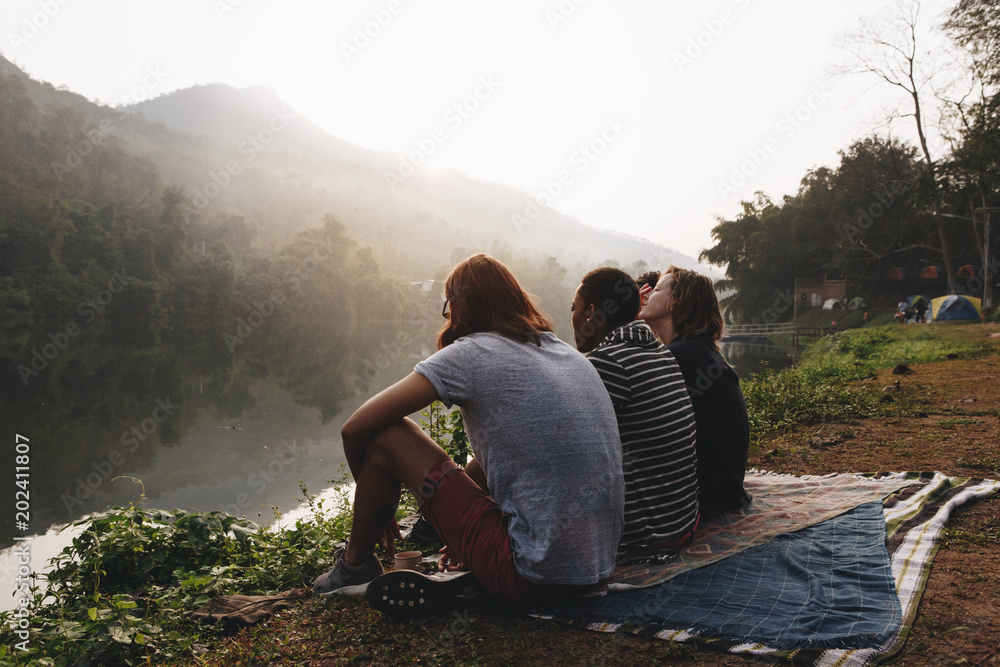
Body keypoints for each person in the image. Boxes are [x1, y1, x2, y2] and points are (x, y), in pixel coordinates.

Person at [313, 254, 624, 618]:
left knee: (388, 434)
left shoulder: (471, 353)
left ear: (458, 306)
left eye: (449, 306)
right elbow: (517, 453)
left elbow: (355, 429)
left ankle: (355, 564)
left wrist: (374, 511)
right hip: (596, 571)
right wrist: (460, 522)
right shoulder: (567, 355)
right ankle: (478, 566)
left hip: (530, 576)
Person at [571, 267, 700, 552]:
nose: (572, 318)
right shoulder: (660, 351)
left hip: (649, 534)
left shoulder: (606, 362)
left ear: (591, 312)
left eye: (574, 309)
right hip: (683, 519)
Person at [638, 266, 751, 520]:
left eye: (655, 290)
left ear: (674, 303)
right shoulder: (694, 351)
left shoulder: (679, 357)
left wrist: (624, 323)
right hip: (722, 491)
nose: (644, 296)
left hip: (703, 499)